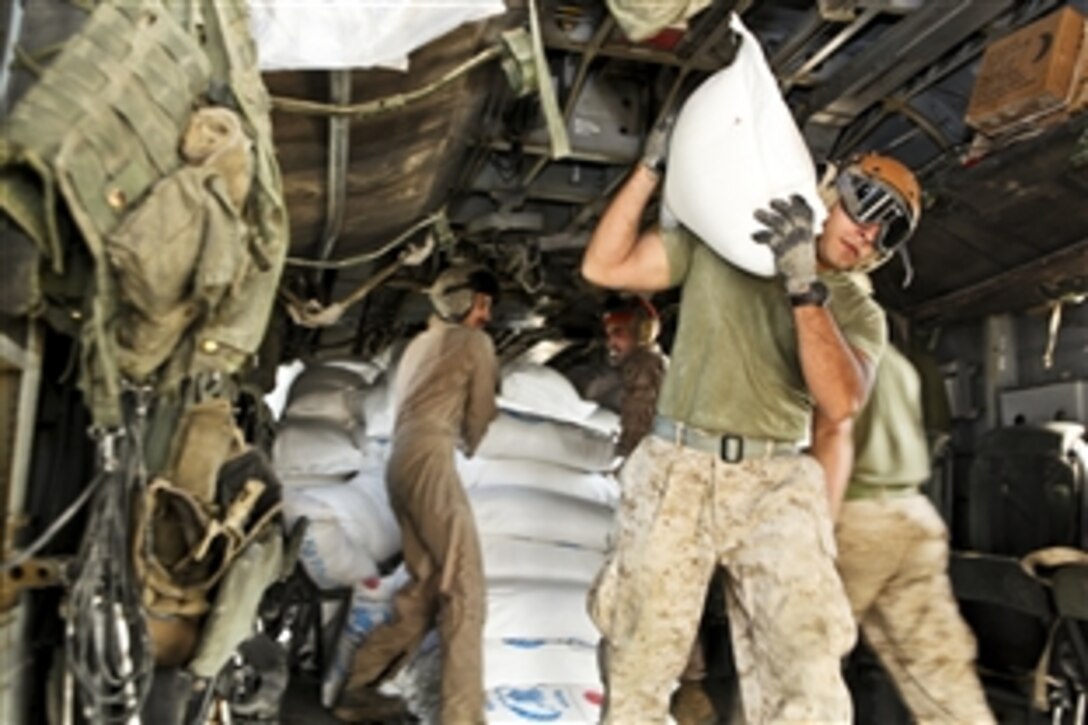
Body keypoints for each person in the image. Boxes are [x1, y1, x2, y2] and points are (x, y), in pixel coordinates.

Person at [581, 107, 923, 721]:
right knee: (638, 665)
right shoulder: (726, 245)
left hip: (775, 479)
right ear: (829, 192)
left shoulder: (856, 310)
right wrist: (648, 169)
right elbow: (605, 267)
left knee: (806, 672)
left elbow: (841, 401)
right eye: (864, 206)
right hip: (676, 467)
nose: (869, 232)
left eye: (888, 231)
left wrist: (803, 287)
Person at [334, 265, 500, 724]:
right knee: (465, 588)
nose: (487, 313)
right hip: (430, 458)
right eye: (485, 303)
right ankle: (461, 717)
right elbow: (481, 413)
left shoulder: (419, 344)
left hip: (400, 461)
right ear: (477, 303)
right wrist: (472, 438)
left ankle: (359, 687)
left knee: (425, 586)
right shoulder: (475, 343)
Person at [835, 341, 994, 724]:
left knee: (795, 658)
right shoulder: (899, 362)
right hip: (914, 515)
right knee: (939, 672)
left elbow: (828, 435)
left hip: (855, 518)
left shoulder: (824, 349)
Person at [600, 297, 668, 456]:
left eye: (618, 332)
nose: (611, 343)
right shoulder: (653, 361)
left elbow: (639, 424)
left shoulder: (645, 365)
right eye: (609, 335)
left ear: (642, 332)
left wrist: (624, 456)